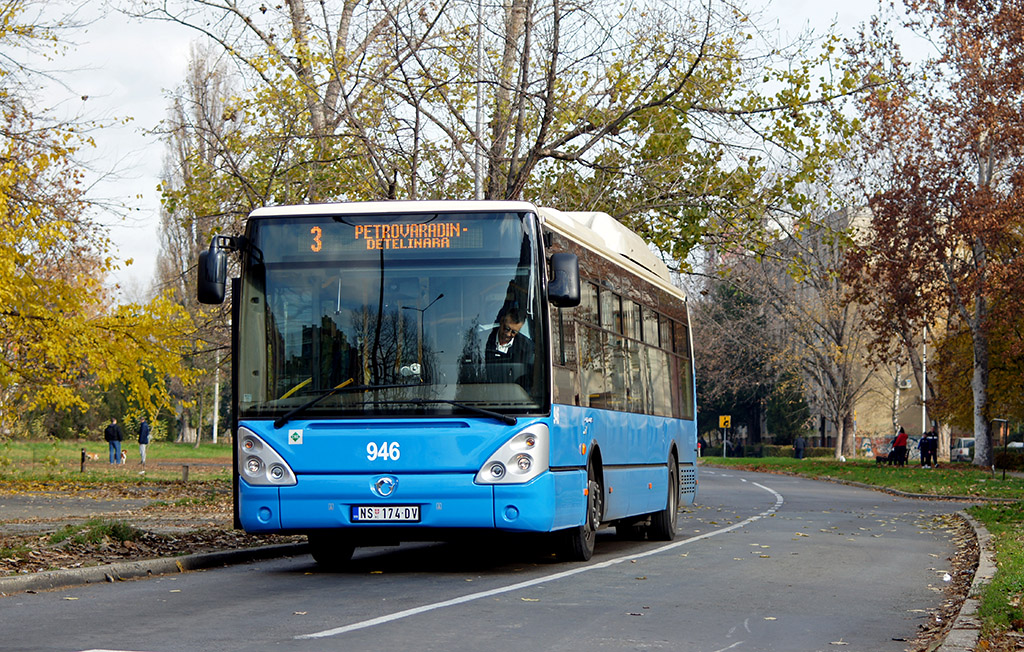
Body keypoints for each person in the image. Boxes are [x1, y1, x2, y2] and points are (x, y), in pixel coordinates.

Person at [484, 306, 535, 390]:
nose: (508, 334)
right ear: (501, 321)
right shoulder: (482, 339)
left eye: (513, 332)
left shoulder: (527, 348)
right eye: (506, 328)